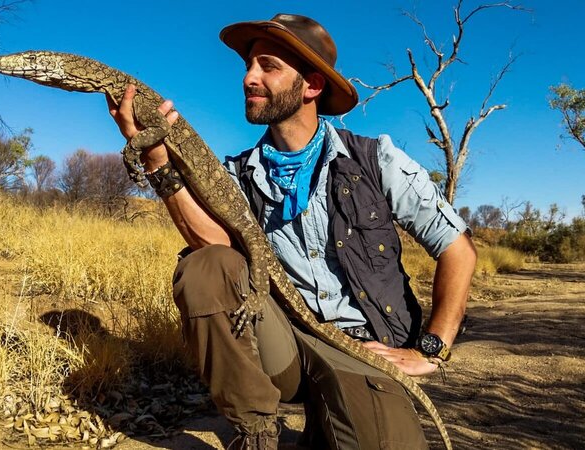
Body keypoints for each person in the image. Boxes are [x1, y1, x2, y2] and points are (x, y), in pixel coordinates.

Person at [107, 13, 477, 450]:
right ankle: (257, 432)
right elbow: (219, 250)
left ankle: (330, 419)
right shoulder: (237, 175)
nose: (249, 77)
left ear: (312, 86)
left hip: (363, 348)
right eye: (248, 66)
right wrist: (158, 163)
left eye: (268, 66)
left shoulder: (377, 160)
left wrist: (431, 349)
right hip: (283, 341)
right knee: (205, 266)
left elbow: (458, 248)